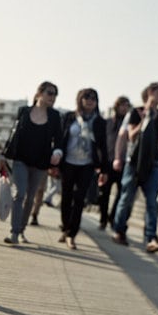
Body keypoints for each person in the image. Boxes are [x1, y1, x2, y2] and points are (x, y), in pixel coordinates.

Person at [1, 82, 63, 244]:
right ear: (39, 93)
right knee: (19, 193)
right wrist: (3, 155)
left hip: (41, 163)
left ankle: (22, 229)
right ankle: (14, 233)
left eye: (55, 94)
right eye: (50, 93)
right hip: (21, 159)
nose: (53, 97)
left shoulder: (55, 116)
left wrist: (57, 152)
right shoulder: (24, 111)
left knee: (31, 198)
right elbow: (13, 134)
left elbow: (59, 140)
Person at [112, 82, 158, 252]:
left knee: (152, 202)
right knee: (126, 198)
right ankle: (119, 230)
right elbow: (130, 135)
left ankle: (151, 238)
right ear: (150, 92)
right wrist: (145, 118)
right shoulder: (136, 112)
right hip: (133, 161)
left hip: (153, 162)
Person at [59, 88, 109, 250]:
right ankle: (66, 227)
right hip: (68, 162)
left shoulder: (100, 122)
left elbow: (103, 146)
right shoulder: (69, 117)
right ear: (80, 99)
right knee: (66, 197)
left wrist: (104, 170)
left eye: (93, 98)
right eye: (86, 97)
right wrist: (54, 164)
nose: (90, 101)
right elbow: (60, 140)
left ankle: (72, 234)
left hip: (87, 164)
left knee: (80, 199)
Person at [98, 96, 131, 230]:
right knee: (103, 193)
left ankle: (113, 217)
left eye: (127, 106)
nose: (124, 108)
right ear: (116, 106)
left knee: (121, 194)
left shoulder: (130, 124)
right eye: (122, 105)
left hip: (124, 163)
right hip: (107, 162)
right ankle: (103, 219)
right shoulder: (107, 122)